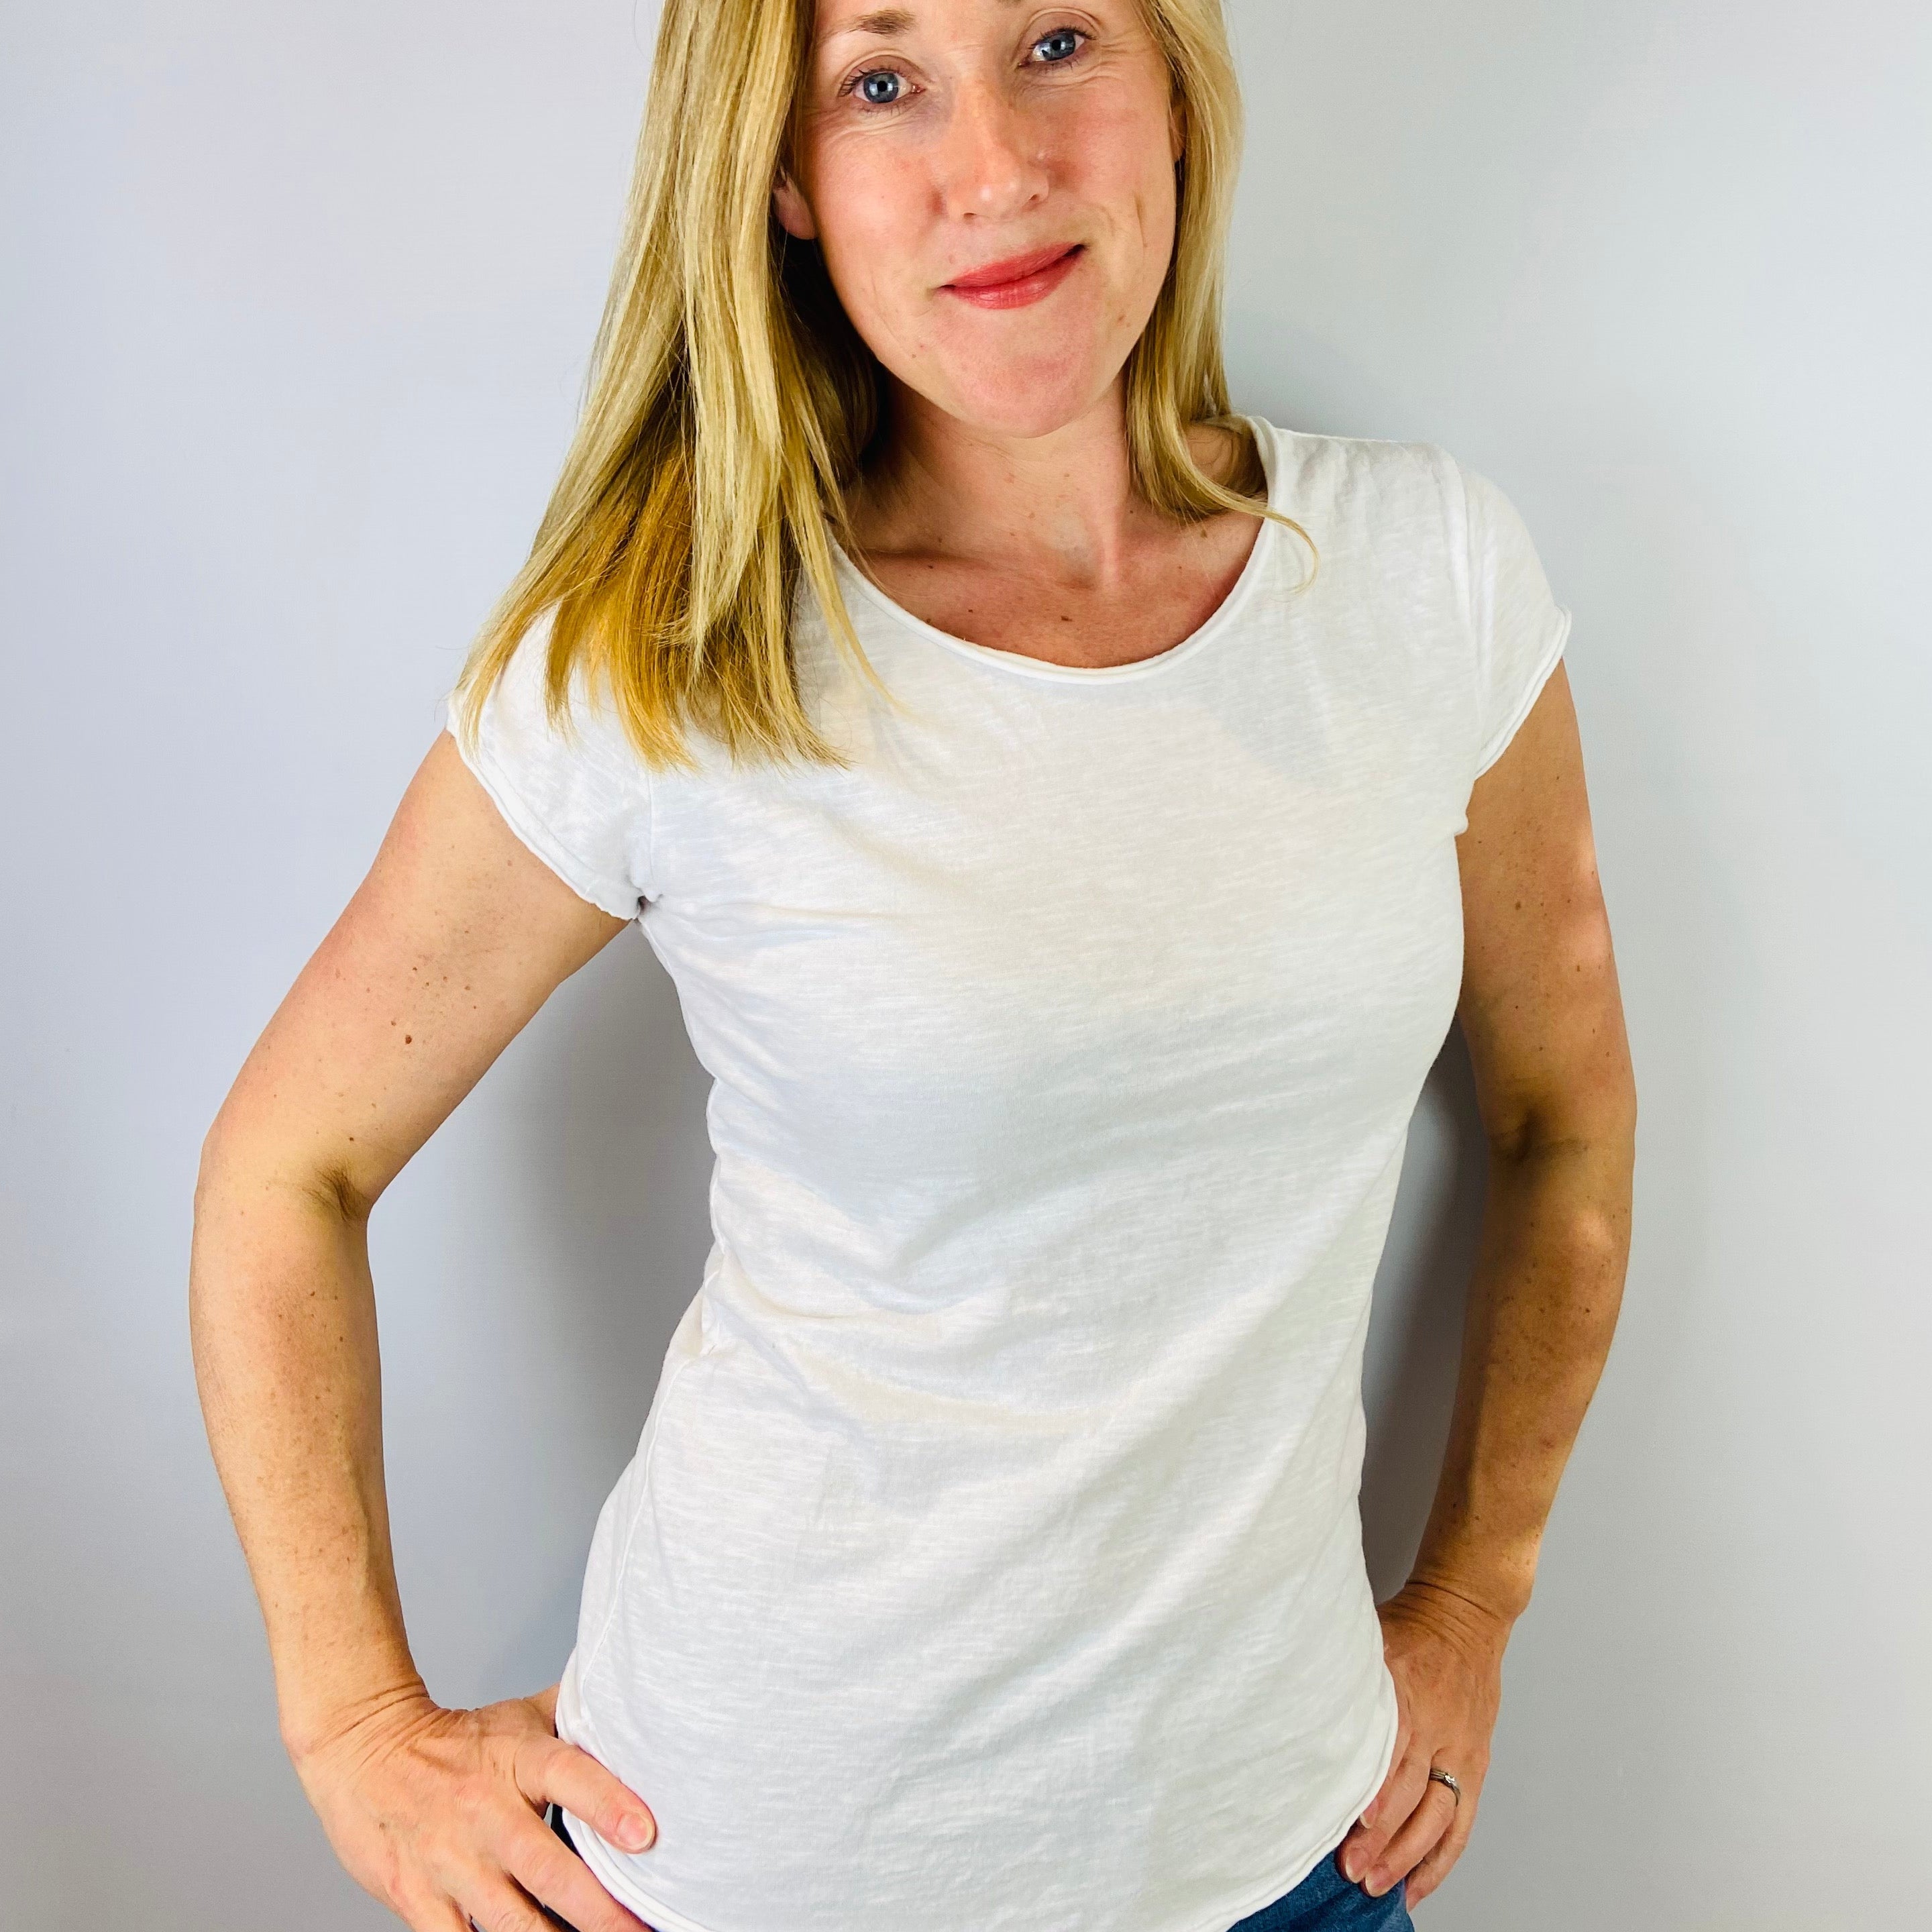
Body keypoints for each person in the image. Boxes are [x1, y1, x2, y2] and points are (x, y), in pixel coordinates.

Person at [188, 1, 1637, 1929]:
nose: (998, 167)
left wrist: (1472, 1603)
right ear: (785, 180)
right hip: (761, 1864)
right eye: (883, 85)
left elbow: (1563, 1124)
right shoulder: (671, 652)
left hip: (1293, 1846)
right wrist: (354, 1725)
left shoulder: (1424, 577)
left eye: (1059, 39)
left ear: (1176, 84)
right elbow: (286, 1168)